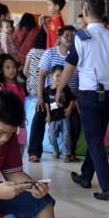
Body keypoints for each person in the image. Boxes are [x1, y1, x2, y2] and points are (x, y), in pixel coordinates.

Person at [58, 0, 109, 201]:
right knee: (97, 138)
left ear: (84, 11)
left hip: (90, 98)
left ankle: (108, 186)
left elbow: (68, 69)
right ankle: (85, 176)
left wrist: (59, 90)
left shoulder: (80, 38)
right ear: (104, 13)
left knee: (94, 139)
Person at [32, 25, 78, 162]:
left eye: (72, 36)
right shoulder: (50, 53)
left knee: (76, 120)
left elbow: (82, 79)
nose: (70, 38)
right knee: (38, 117)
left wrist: (77, 100)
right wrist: (40, 98)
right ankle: (34, 152)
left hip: (70, 99)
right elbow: (41, 76)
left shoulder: (78, 56)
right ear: (59, 38)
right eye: (67, 36)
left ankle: (70, 152)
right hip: (50, 99)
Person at [45, 65, 77, 161]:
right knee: (52, 136)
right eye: (57, 75)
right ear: (51, 76)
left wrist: (69, 108)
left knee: (66, 135)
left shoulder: (65, 88)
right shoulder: (47, 90)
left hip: (64, 117)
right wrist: (48, 115)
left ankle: (66, 154)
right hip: (53, 118)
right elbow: (46, 103)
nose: (59, 78)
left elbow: (72, 99)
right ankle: (56, 150)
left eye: (62, 76)